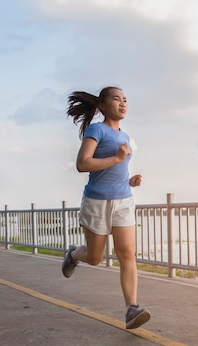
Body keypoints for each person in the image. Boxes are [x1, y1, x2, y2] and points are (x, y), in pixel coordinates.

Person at [62, 86, 150, 330]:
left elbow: (118, 170)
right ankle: (73, 254)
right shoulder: (96, 129)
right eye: (116, 99)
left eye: (125, 100)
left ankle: (132, 309)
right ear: (102, 106)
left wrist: (130, 180)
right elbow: (83, 164)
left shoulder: (125, 136)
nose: (122, 103)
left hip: (124, 200)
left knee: (127, 254)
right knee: (95, 257)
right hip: (97, 201)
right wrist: (117, 159)